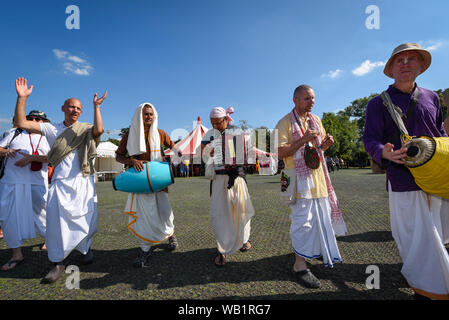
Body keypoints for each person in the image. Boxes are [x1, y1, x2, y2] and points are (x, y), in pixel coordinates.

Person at [363, 43, 449, 300]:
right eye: (399, 60)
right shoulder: (377, 103)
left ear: (421, 66)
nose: (406, 64)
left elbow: (440, 134)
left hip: (437, 177)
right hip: (403, 180)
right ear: (390, 70)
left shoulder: (432, 97)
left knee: (439, 235)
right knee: (415, 240)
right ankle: (429, 289)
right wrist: (384, 152)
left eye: (412, 59)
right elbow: (370, 139)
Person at [13, 77, 107, 284]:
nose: (75, 111)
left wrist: (96, 107)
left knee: (86, 220)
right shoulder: (51, 129)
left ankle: (84, 249)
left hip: (84, 181)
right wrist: (22, 98)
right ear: (63, 108)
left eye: (79, 108)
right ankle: (57, 262)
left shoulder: (85, 128)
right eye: (71, 107)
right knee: (56, 225)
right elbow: (20, 123)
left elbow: (99, 131)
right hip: (60, 183)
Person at [275, 84, 346, 288]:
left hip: (317, 179)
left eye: (313, 98)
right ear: (295, 100)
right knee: (302, 222)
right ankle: (299, 265)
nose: (311, 101)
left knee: (319, 221)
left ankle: (310, 254)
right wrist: (304, 138)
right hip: (293, 179)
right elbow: (279, 153)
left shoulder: (316, 120)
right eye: (307, 98)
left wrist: (325, 145)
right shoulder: (284, 122)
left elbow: (315, 150)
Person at [115, 103, 181, 268]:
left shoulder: (160, 133)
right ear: (139, 115)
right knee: (144, 217)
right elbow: (118, 156)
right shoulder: (130, 134)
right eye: (145, 114)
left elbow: (176, 149)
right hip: (140, 181)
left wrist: (175, 159)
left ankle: (170, 234)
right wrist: (132, 160)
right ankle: (145, 249)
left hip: (159, 180)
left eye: (151, 114)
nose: (149, 117)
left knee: (165, 211)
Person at [201, 107, 254, 267]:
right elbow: (202, 153)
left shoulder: (237, 132)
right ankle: (222, 250)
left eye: (218, 123)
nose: (215, 126)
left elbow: (248, 154)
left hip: (236, 178)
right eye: (212, 123)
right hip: (218, 179)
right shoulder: (208, 134)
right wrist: (208, 151)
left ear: (226, 119)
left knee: (241, 211)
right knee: (220, 214)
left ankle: (243, 240)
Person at [0, 110, 51, 271]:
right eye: (30, 118)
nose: (34, 120)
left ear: (44, 122)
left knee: (45, 214)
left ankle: (51, 242)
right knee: (8, 217)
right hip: (12, 181)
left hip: (37, 182)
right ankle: (16, 254)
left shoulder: (48, 136)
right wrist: (6, 151)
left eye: (38, 119)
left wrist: (31, 158)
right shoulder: (14, 133)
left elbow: (54, 157)